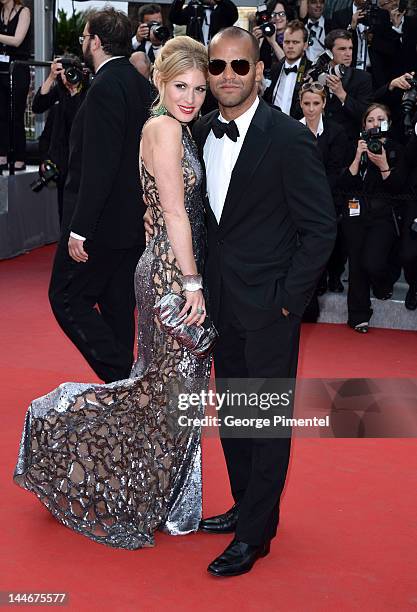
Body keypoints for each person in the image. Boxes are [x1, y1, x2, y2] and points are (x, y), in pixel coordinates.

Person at [14, 35, 212, 550]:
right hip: (174, 276)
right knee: (164, 390)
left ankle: (164, 495)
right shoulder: (167, 130)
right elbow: (172, 212)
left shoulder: (172, 128)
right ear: (161, 85)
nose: (190, 97)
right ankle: (57, 429)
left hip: (165, 265)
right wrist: (192, 282)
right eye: (180, 86)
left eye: (198, 88)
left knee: (165, 390)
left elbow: (154, 202)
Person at [191, 26, 336, 576]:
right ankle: (247, 506)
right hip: (219, 305)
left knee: (267, 423)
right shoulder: (200, 130)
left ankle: (257, 533)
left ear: (260, 71)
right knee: (233, 416)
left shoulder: (289, 138)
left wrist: (286, 301)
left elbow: (321, 230)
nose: (228, 76)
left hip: (269, 308)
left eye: (240, 66)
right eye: (218, 66)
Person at [47, 8, 152, 385]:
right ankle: (124, 394)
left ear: (95, 41)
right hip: (128, 225)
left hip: (101, 225)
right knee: (116, 309)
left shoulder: (108, 85)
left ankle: (126, 380)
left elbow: (101, 164)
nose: (82, 43)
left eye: (84, 37)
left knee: (66, 299)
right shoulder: (140, 84)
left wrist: (80, 229)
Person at [339, 103, 404, 332]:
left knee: (373, 262)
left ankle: (383, 284)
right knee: (356, 264)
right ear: (363, 124)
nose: (374, 124)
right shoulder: (354, 147)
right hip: (355, 214)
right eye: (370, 120)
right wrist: (358, 157)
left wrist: (384, 166)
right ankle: (358, 316)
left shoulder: (396, 149)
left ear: (388, 123)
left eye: (380, 119)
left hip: (383, 217)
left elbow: (399, 189)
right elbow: (344, 184)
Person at [299, 81, 347, 316]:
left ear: (324, 103)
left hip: (325, 199)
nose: (310, 108)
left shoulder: (335, 132)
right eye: (306, 103)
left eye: (315, 103)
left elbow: (335, 170)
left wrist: (314, 195)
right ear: (300, 104)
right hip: (296, 199)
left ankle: (327, 278)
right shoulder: (291, 129)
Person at [32, 56, 90, 224]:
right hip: (63, 161)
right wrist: (50, 77)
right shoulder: (60, 92)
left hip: (83, 160)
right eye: (62, 74)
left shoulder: (89, 91)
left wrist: (75, 91)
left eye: (70, 73)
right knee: (64, 212)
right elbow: (37, 106)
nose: (67, 78)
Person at [322, 29, 373, 143]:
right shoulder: (316, 75)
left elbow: (365, 114)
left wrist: (342, 95)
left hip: (348, 142)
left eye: (350, 48)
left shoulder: (363, 78)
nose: (348, 53)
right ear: (329, 52)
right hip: (321, 141)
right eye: (342, 49)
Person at [0, 0, 31, 171]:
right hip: (1, 68)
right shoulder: (1, 12)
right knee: (1, 114)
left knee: (16, 115)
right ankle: (2, 155)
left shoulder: (24, 11)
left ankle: (20, 157)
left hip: (17, 68)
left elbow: (17, 40)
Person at [263, 19, 311, 118]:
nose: (290, 46)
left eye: (295, 42)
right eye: (287, 42)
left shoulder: (310, 70)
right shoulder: (276, 68)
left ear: (305, 45)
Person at [169, 0, 238, 46]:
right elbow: (174, 17)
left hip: (217, 50)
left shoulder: (223, 9)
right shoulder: (194, 8)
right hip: (196, 52)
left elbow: (233, 15)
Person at [252, 1, 290, 73]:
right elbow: (251, 62)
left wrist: (273, 42)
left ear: (287, 18)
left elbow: (288, 65)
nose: (277, 18)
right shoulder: (262, 35)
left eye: (282, 14)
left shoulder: (293, 37)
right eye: (273, 14)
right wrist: (254, 42)